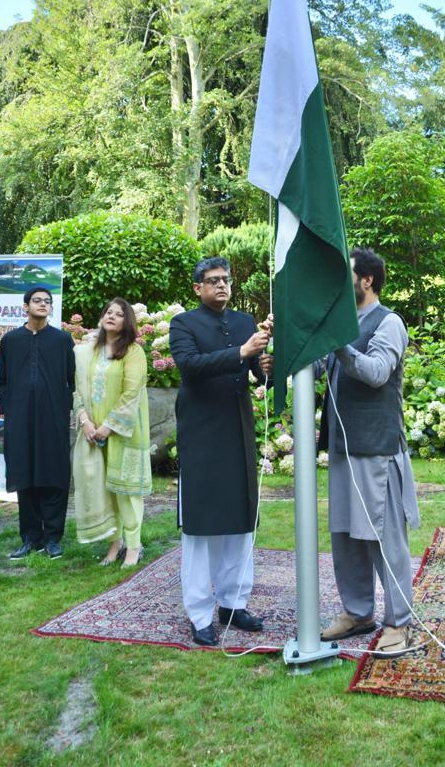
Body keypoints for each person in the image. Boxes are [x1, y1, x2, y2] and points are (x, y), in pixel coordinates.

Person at [318, 247, 420, 657]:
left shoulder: (389, 323)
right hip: (343, 449)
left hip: (376, 450)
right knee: (345, 535)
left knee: (382, 537)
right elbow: (319, 367)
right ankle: (358, 613)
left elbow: (376, 373)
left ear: (366, 281)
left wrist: (338, 342)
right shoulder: (342, 325)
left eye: (348, 275)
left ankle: (400, 622)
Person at [169, 257, 270, 647]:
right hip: (201, 431)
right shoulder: (184, 324)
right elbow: (190, 367)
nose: (222, 286)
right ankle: (199, 613)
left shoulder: (245, 322)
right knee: (201, 524)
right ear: (198, 288)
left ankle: (233, 602)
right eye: (213, 281)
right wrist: (243, 350)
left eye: (226, 280)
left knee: (239, 518)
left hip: (237, 428)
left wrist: (266, 360)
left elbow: (259, 374)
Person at [0, 286, 75, 560]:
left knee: (53, 474)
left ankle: (53, 538)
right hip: (20, 422)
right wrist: (11, 409)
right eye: (37, 300)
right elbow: (1, 382)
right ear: (25, 306)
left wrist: (62, 408)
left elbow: (71, 380)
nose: (43, 304)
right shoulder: (11, 341)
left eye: (47, 301)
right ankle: (30, 537)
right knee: (25, 476)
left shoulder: (62, 341)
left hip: (53, 420)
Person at [73, 298, 151, 568]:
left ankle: (134, 545)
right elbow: (77, 389)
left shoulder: (133, 352)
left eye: (119, 314)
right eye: (109, 312)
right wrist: (85, 421)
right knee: (104, 490)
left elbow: (131, 394)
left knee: (127, 493)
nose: (112, 316)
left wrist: (108, 426)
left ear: (126, 321)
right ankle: (115, 543)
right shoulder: (88, 352)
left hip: (124, 435)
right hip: (93, 433)